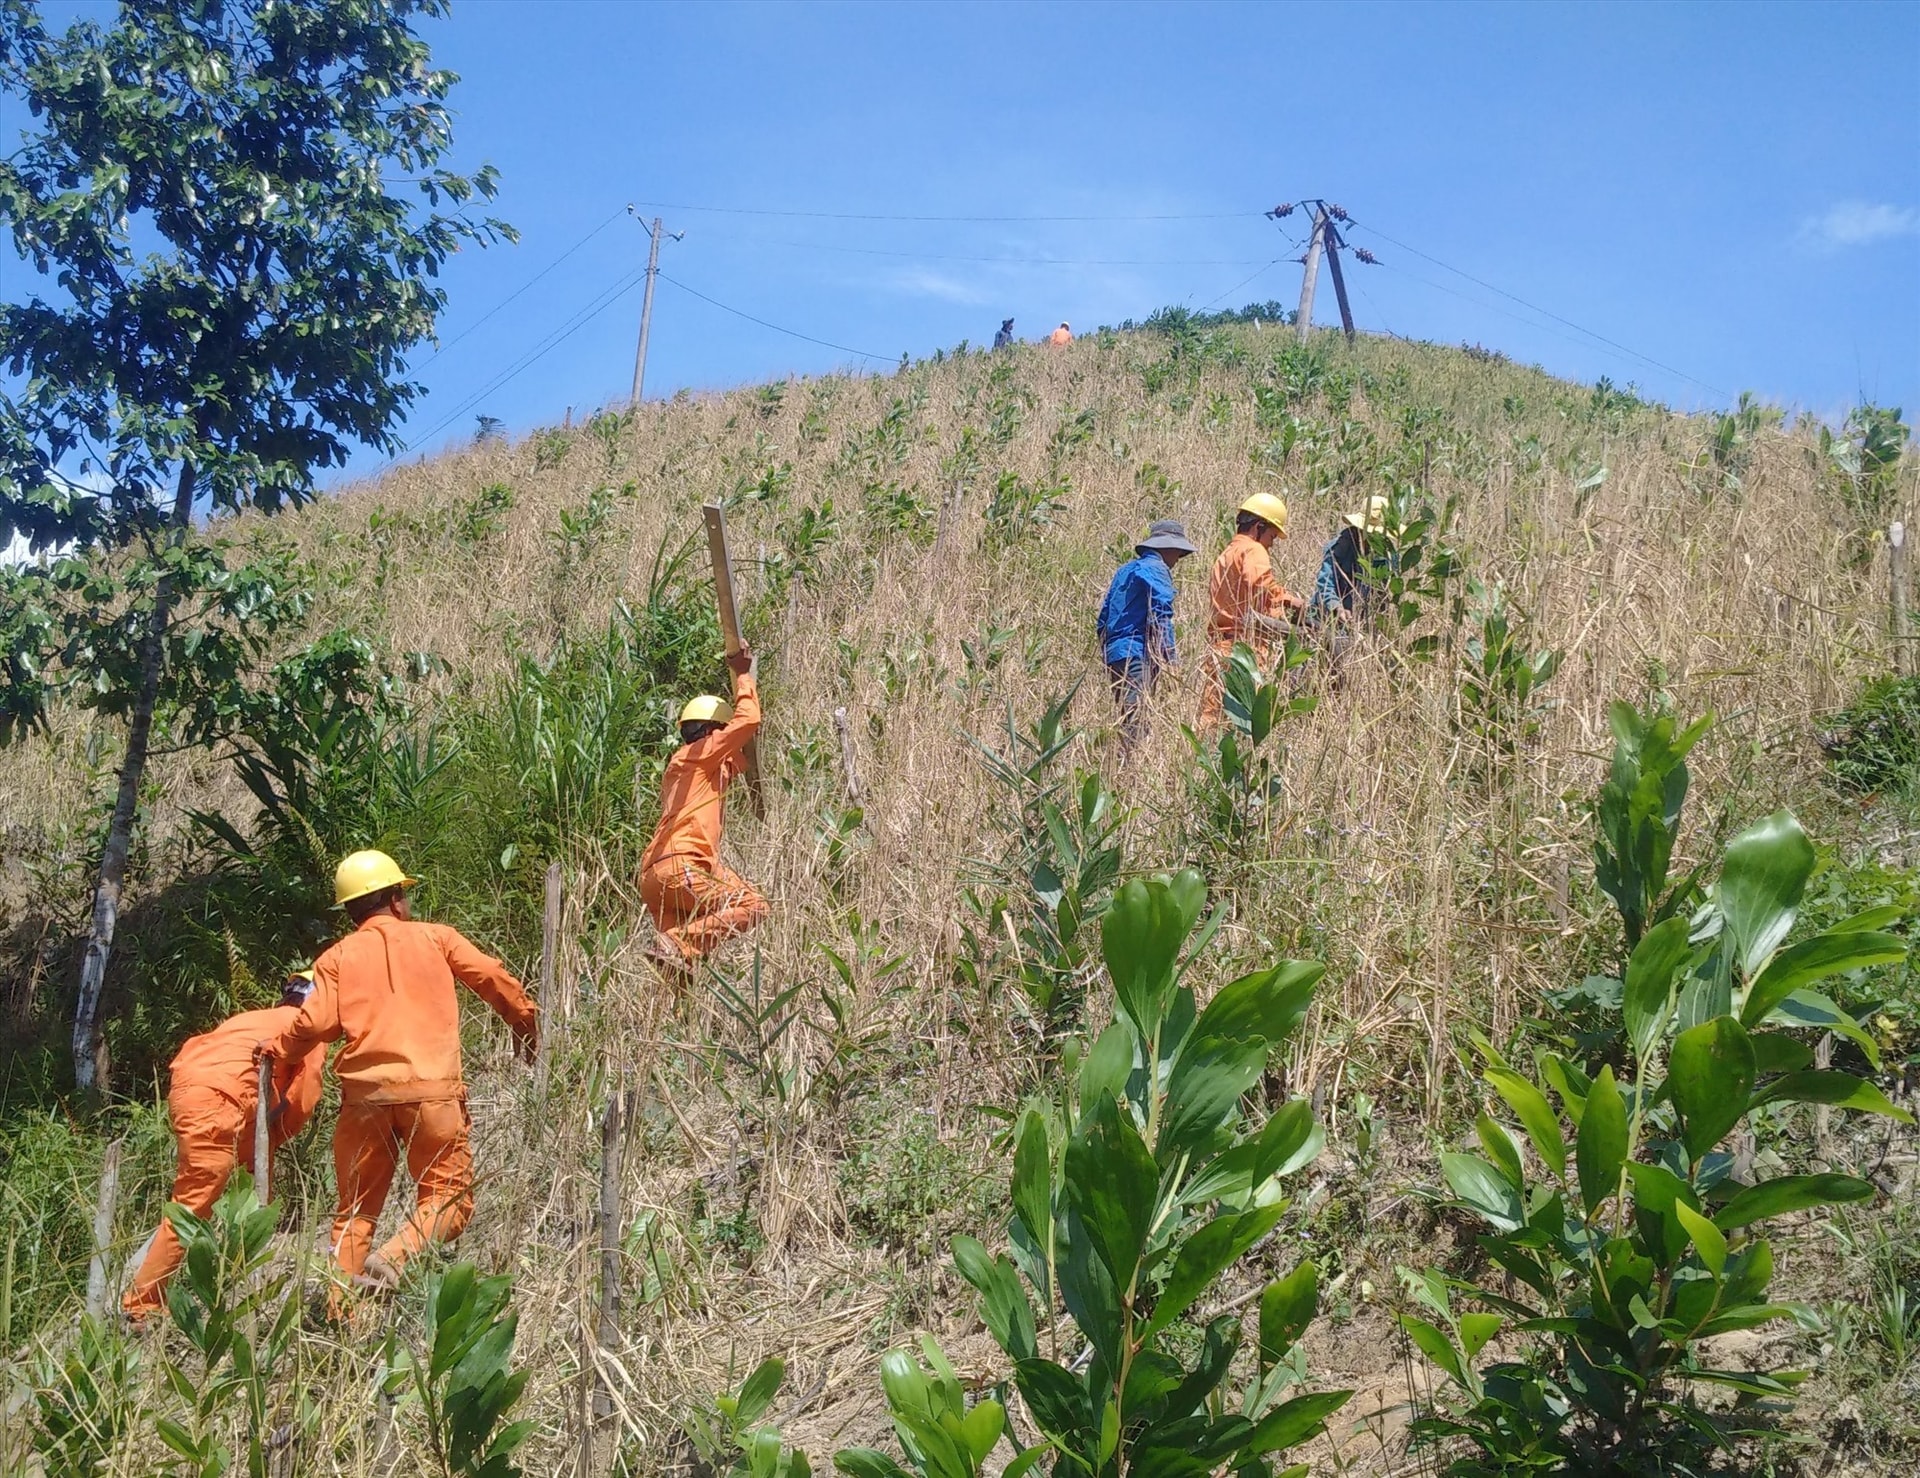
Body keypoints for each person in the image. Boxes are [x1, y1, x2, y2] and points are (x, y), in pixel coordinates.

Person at [264, 849, 537, 1296]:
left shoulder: (335, 958)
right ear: (395, 899)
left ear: (351, 911)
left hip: (364, 1102)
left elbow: (313, 1025)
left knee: (355, 1213)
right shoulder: (436, 937)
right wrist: (524, 1021)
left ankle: (341, 1313)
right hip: (433, 1094)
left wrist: (279, 1049)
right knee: (448, 1199)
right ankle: (394, 1258)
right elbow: (490, 975)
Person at [122, 971, 327, 1322]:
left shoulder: (255, 1018)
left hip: (199, 1093)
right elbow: (303, 1098)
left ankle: (242, 1264)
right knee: (194, 1203)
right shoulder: (306, 1028)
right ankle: (141, 1305)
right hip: (219, 1101)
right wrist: (275, 1139)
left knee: (244, 1181)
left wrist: (259, 1153)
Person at [640, 644, 767, 970]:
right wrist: (742, 675)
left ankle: (673, 1017)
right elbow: (749, 718)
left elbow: (733, 762)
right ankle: (677, 941)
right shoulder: (700, 754)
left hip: (654, 879)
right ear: (714, 732)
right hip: (685, 869)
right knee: (754, 905)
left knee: (679, 977)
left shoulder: (686, 767)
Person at [1198, 493, 1306, 728]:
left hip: (1219, 648)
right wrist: (1289, 602)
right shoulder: (1254, 551)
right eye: (1272, 536)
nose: (1272, 543)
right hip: (1245, 649)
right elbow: (1260, 586)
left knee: (1211, 719)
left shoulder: (1225, 555)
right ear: (1259, 527)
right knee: (1246, 723)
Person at [1096, 520, 1196, 750]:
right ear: (1169, 548)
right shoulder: (1157, 570)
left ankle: (1123, 767)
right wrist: (1170, 659)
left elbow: (1103, 620)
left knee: (1127, 715)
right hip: (1137, 654)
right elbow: (1161, 617)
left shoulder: (1125, 571)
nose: (1178, 559)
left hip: (1116, 654)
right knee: (1137, 722)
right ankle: (1130, 773)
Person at [1308, 494, 1390, 626]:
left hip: (1363, 622)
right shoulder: (1341, 546)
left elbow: (1385, 593)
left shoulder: (1387, 554)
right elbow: (1325, 583)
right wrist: (1336, 607)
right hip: (1327, 618)